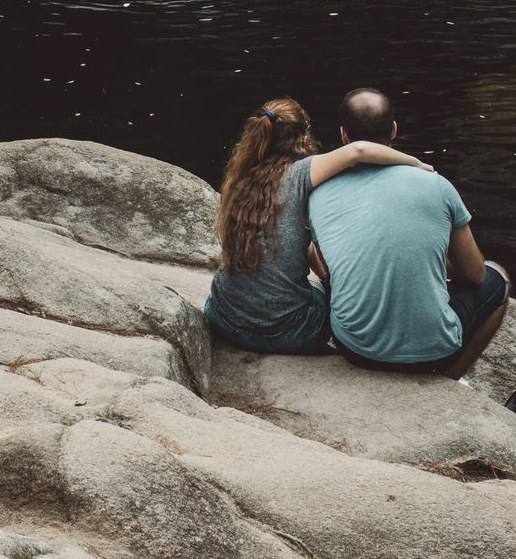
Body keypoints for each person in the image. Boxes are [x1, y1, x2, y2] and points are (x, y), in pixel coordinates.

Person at [204, 96, 434, 354]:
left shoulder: (240, 176)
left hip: (223, 320)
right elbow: (358, 150)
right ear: (303, 134)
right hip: (289, 335)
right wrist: (415, 163)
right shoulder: (300, 173)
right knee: (318, 286)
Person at [308, 87, 510, 377]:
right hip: (436, 352)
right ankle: (451, 377)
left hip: (354, 348)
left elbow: (333, 262)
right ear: (394, 129)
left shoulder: (319, 191)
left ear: (343, 135)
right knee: (498, 276)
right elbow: (474, 275)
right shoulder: (435, 184)